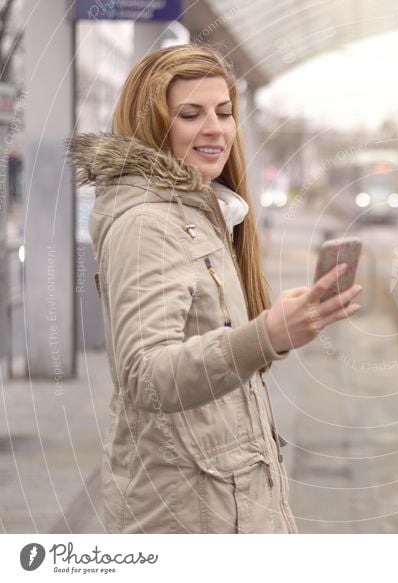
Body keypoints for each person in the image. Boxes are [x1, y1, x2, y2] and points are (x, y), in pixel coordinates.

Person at [67, 44, 362, 533]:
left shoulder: (201, 213)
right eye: (190, 114)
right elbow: (144, 376)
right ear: (152, 124)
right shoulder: (147, 223)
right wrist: (265, 334)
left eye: (224, 112)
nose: (216, 129)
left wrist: (278, 330)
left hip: (225, 499)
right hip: (187, 510)